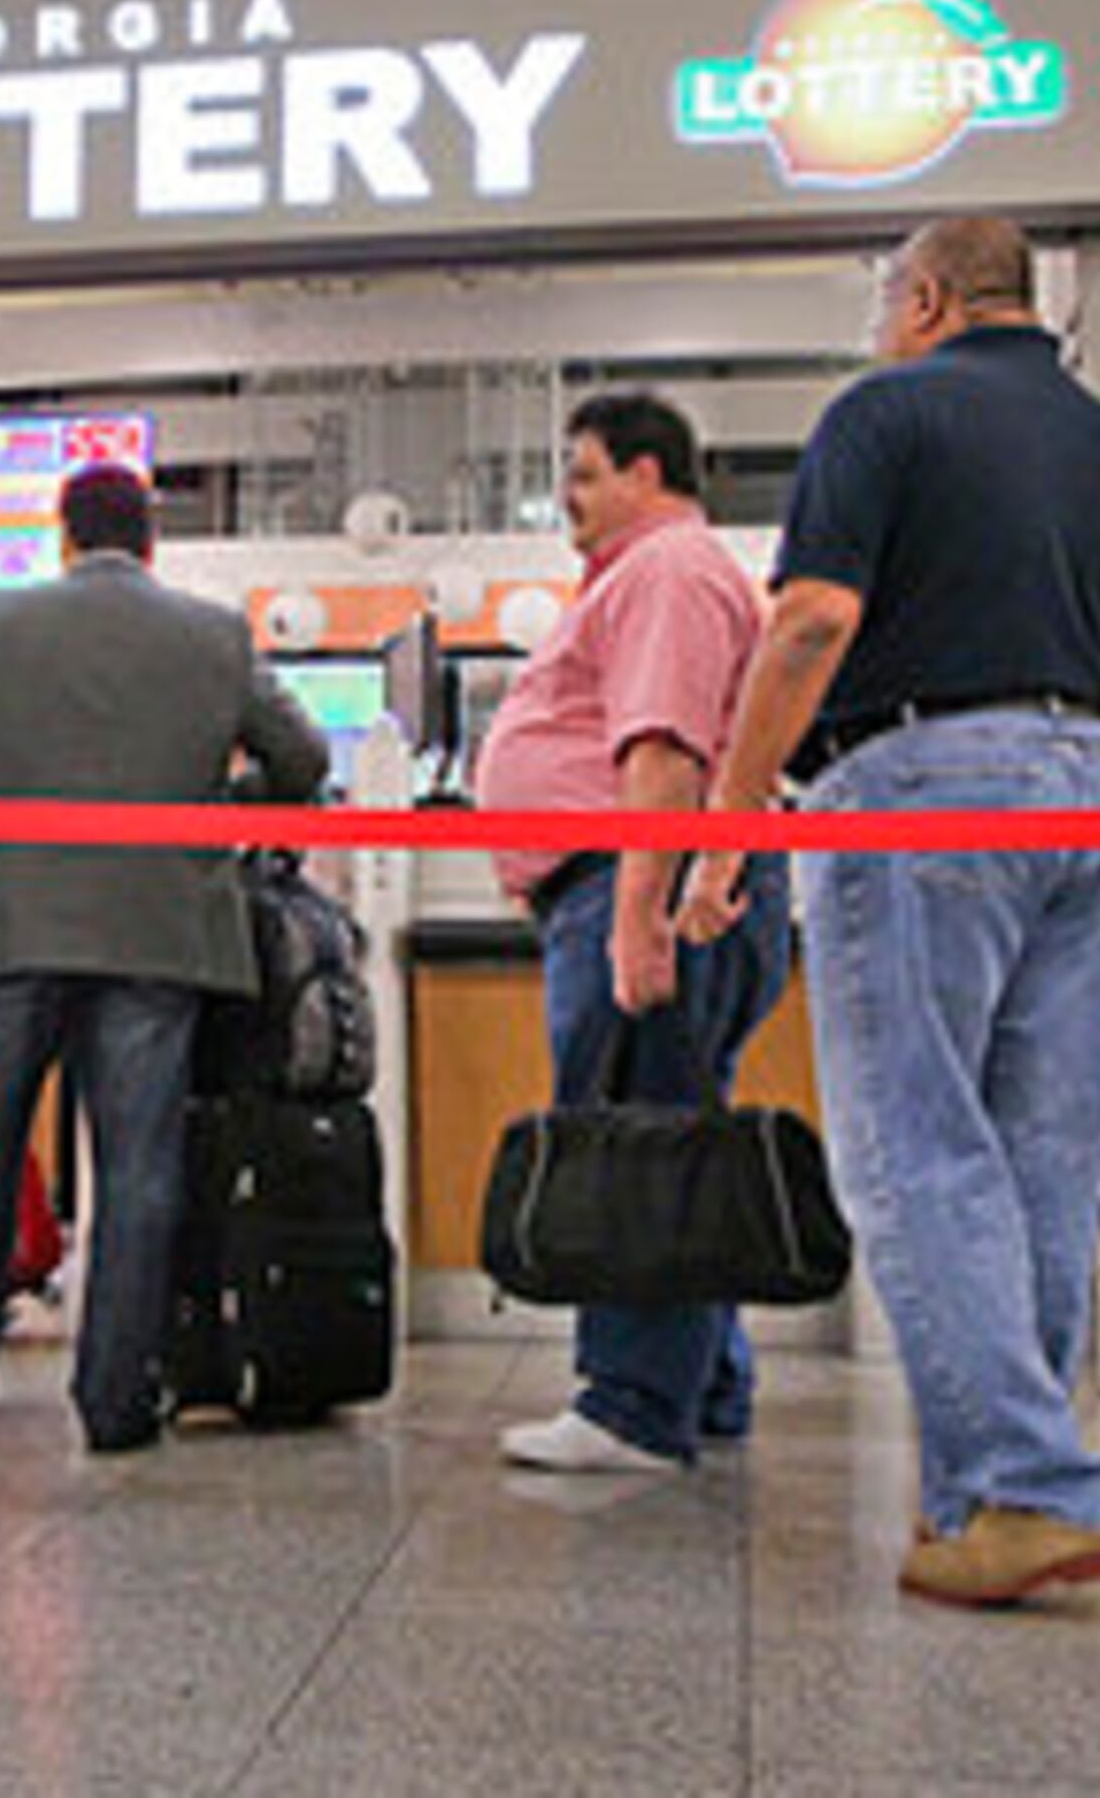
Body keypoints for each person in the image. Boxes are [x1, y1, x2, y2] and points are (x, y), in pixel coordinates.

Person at [679, 213, 1100, 1609]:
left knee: (913, 1144)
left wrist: (732, 815)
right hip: (1086, 784)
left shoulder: (885, 411)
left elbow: (807, 623)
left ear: (923, 297)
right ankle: (991, 1492)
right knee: (1035, 1151)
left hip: (912, 782)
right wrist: (1063, 761)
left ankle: (1035, 1487)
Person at [0, 462, 328, 1452]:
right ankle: (115, 1399)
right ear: (150, 541)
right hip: (159, 926)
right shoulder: (214, 634)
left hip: (20, 925)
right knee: (139, 1166)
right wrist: (222, 810)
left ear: (63, 533)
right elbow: (302, 763)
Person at [470, 391, 791, 1474]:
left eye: (588, 471)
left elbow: (663, 757)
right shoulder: (655, 576)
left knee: (631, 1140)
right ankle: (706, 1384)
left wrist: (637, 916)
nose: (570, 492)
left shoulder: (667, 571)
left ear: (650, 475)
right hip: (621, 883)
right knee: (675, 1132)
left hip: (636, 882)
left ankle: (633, 1405)